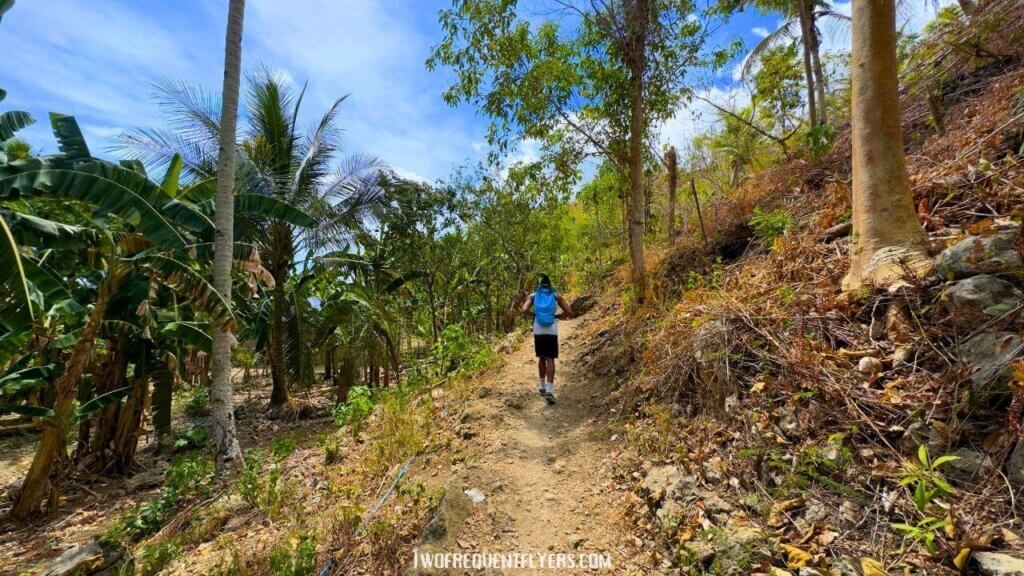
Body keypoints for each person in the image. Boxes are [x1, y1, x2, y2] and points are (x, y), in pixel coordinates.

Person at [521, 274, 573, 404]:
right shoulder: (556, 296)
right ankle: (549, 389)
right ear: (550, 285)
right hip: (551, 330)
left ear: (540, 285)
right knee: (550, 359)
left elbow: (524, 310)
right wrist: (558, 317)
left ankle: (542, 386)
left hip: (539, 330)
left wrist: (535, 315)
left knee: (541, 357)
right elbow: (570, 312)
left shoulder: (533, 296)